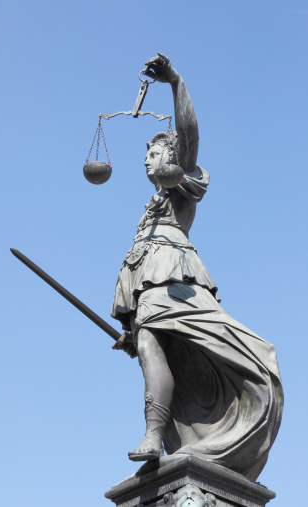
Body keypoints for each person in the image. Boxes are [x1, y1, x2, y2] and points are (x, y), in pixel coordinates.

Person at [111, 53, 283, 480]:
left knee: (154, 340)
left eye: (153, 153)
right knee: (149, 344)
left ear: (169, 155)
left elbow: (188, 132)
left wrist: (175, 83)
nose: (147, 161)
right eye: (147, 155)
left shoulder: (181, 185)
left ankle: (152, 434)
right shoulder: (149, 209)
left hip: (176, 278)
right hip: (149, 282)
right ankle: (155, 434)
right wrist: (129, 326)